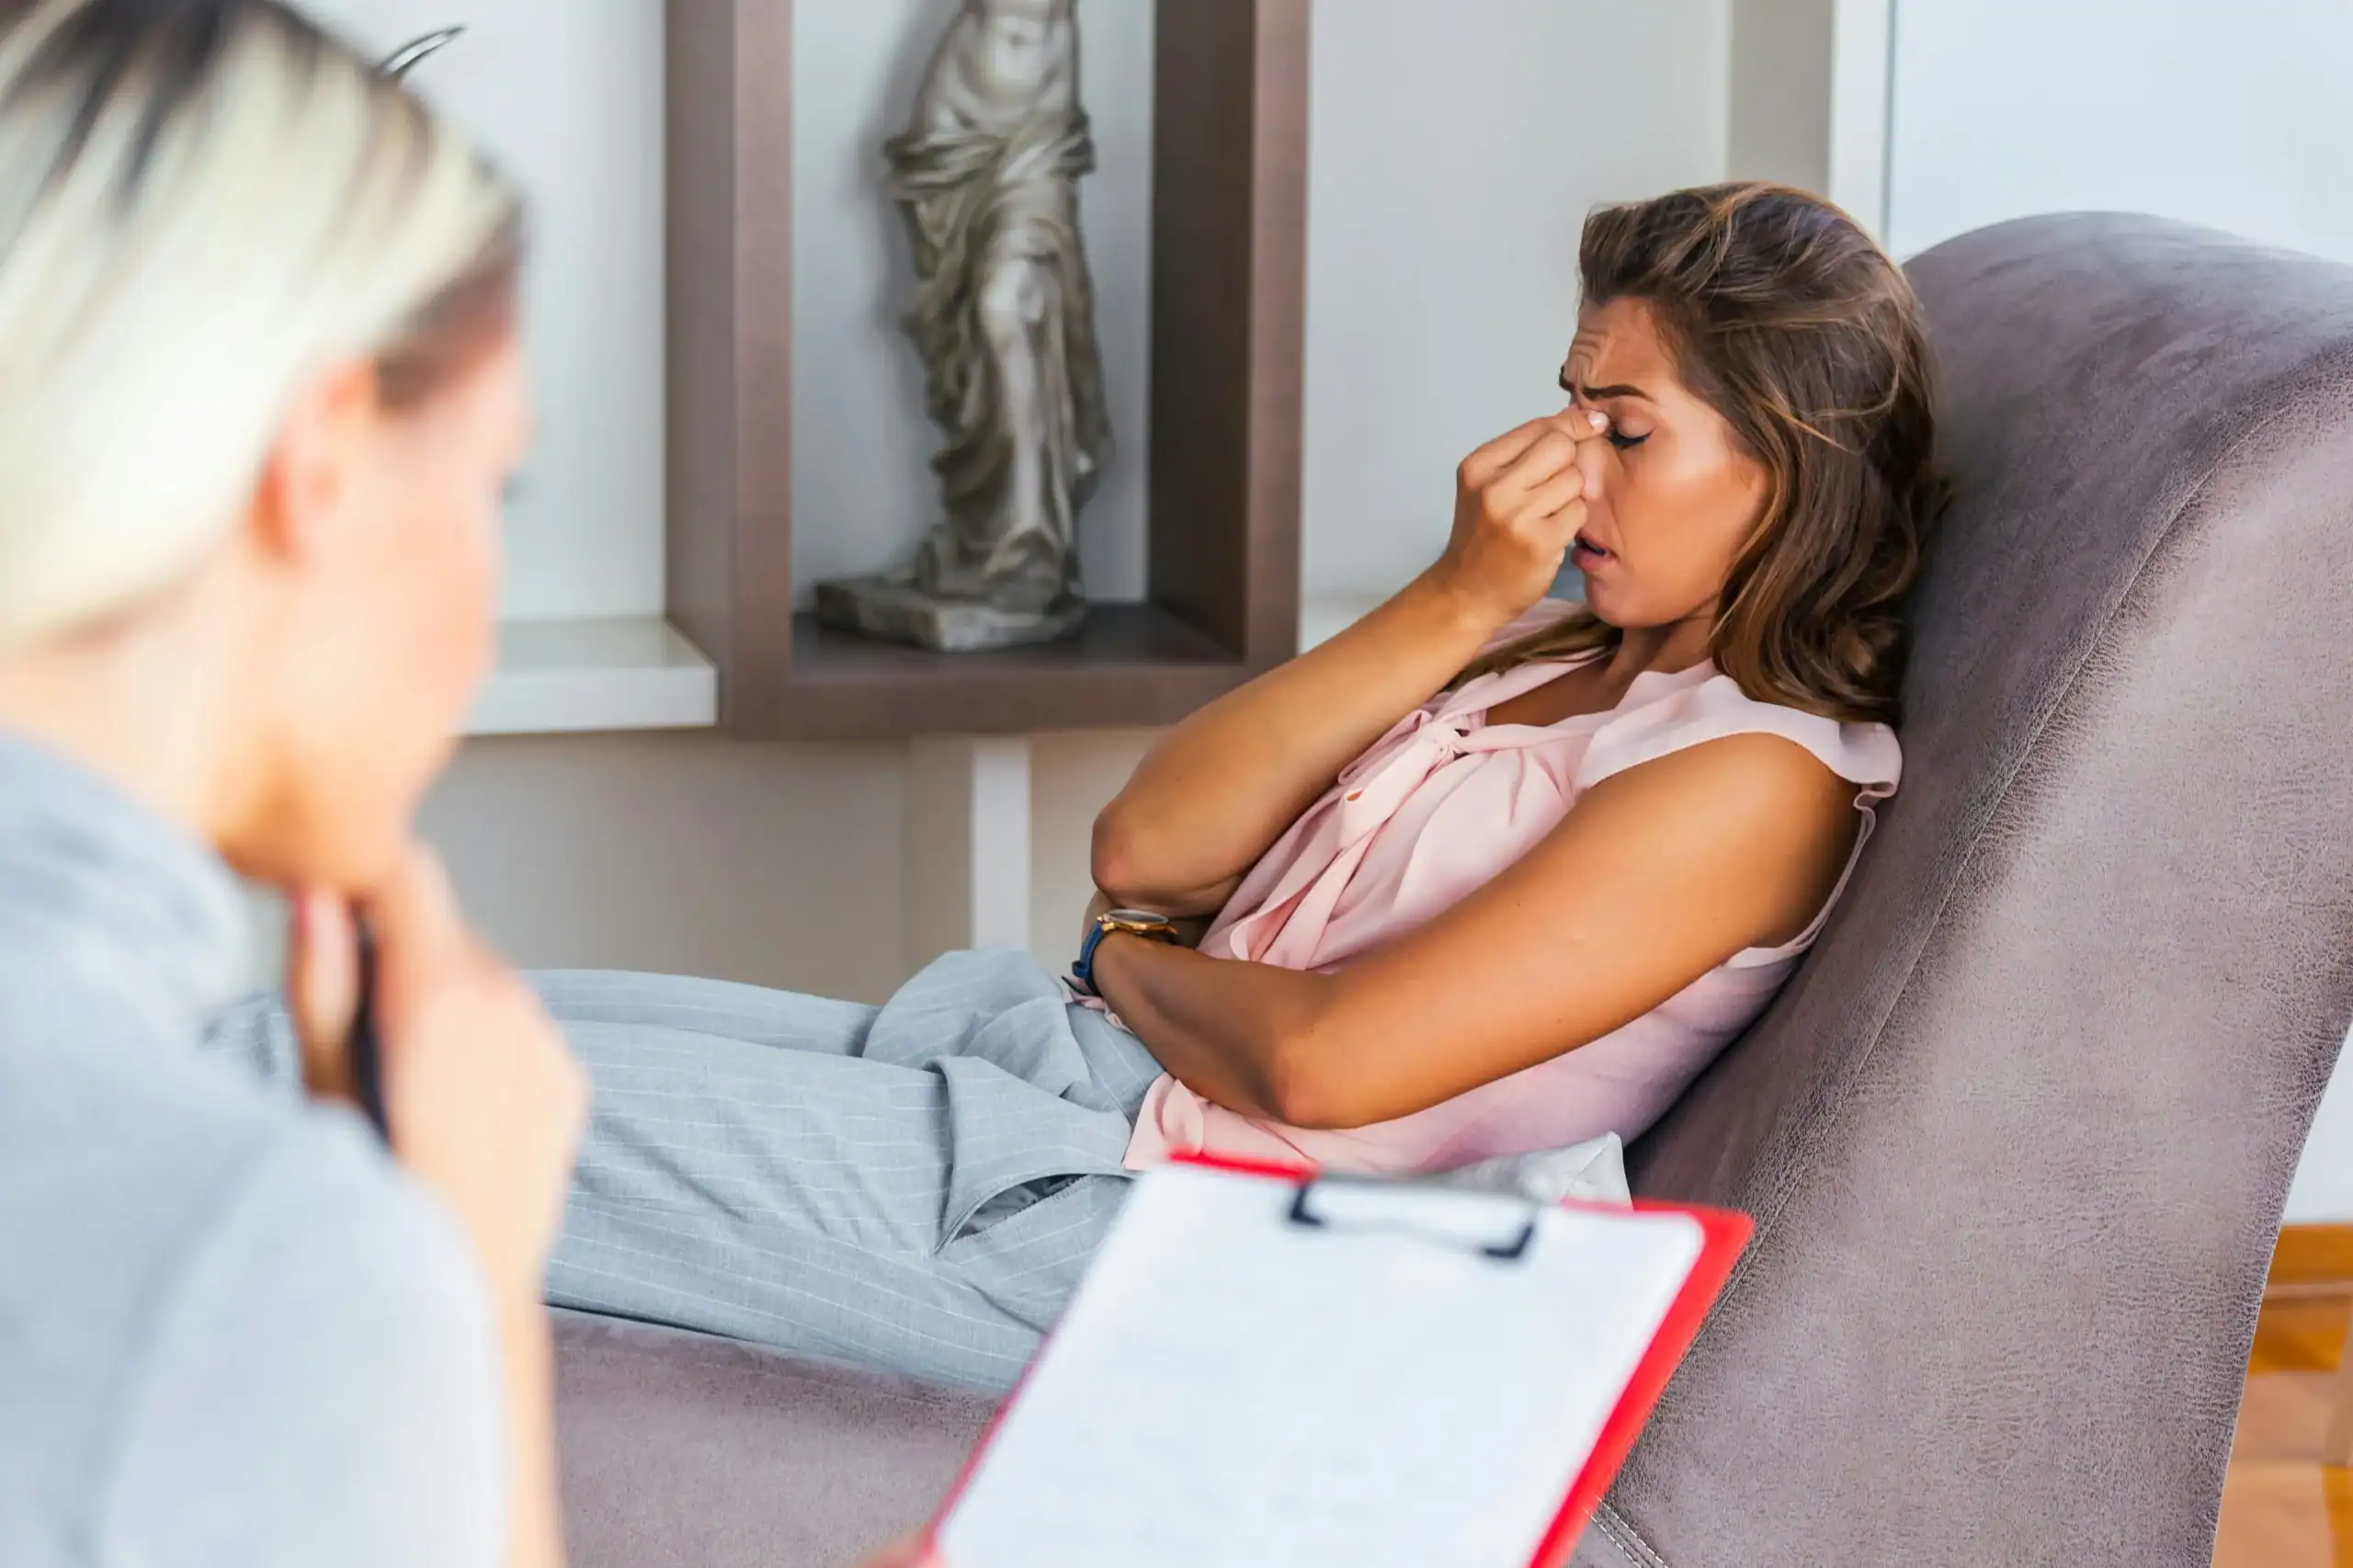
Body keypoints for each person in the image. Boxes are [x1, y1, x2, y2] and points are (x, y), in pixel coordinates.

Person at [229, 179, 1948, 1395]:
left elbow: (1323, 1060)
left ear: (1783, 465)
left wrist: (1127, 952)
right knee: (335, 1019)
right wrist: (1452, 600)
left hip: (1137, 1220)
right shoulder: (1559, 653)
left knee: (323, 1085)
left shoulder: (1758, 781)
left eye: (1623, 428)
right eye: (1563, 400)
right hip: (1050, 1071)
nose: (1563, 459)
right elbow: (1152, 839)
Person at [0, 3, 932, 1564]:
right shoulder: (254, 1257)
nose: (484, 602)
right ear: (325, 459)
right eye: (493, 483)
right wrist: (462, 1286)